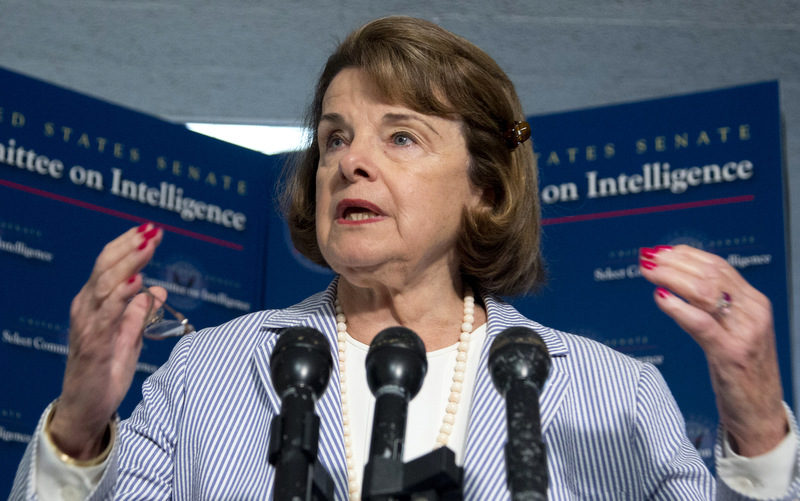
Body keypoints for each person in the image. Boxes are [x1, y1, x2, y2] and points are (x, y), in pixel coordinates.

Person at [9, 16, 799, 500]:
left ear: (484, 189)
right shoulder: (202, 376)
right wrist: (78, 429)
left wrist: (760, 430)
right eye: (334, 138)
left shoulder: (617, 394)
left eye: (401, 136)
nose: (351, 161)